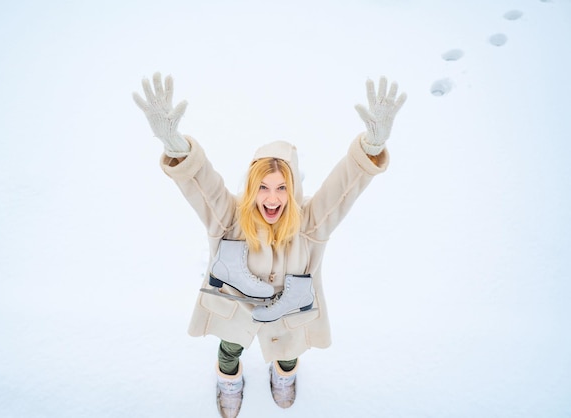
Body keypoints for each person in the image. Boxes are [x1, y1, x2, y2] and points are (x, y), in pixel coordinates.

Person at [133, 72, 406, 418]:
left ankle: (283, 376)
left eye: (281, 188)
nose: (272, 198)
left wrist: (371, 148)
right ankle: (229, 382)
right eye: (263, 187)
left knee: (288, 353)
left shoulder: (310, 224)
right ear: (251, 188)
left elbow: (344, 187)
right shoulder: (229, 218)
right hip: (237, 314)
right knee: (229, 350)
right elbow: (202, 182)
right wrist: (176, 147)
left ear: (292, 190)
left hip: (287, 318)